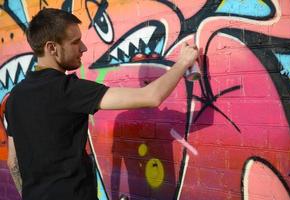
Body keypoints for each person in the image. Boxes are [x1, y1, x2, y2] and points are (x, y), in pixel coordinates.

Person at [5, 8, 198, 200]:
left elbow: (13, 163)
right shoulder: (69, 90)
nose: (83, 48)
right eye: (75, 42)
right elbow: (151, 96)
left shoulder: (14, 97)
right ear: (52, 48)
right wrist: (182, 62)